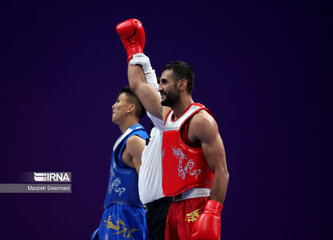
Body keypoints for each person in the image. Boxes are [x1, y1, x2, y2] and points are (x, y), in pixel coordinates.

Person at [116, 19, 230, 240]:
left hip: (197, 204)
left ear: (182, 85)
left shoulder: (201, 120)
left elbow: (222, 172)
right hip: (174, 207)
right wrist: (133, 48)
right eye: (159, 82)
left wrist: (213, 213)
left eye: (165, 83)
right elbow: (138, 86)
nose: (159, 88)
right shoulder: (167, 116)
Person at [115, 19, 172, 240]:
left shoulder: (171, 123)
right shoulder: (160, 127)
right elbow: (150, 92)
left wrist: (134, 50)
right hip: (155, 211)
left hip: (166, 209)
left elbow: (140, 87)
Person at [91, 87, 149, 240]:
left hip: (127, 216)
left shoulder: (136, 141)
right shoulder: (127, 140)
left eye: (118, 102)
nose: (113, 106)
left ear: (131, 108)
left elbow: (149, 187)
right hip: (114, 214)